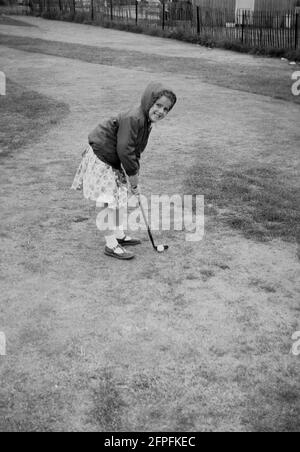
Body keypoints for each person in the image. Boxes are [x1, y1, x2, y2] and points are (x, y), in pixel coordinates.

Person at [71, 82, 177, 260]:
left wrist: (135, 176)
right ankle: (111, 244)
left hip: (113, 160)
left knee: (119, 198)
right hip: (102, 157)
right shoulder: (134, 118)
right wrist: (133, 179)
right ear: (149, 101)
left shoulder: (146, 120)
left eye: (166, 109)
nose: (161, 111)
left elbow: (135, 150)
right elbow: (125, 151)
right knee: (106, 202)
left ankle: (119, 234)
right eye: (158, 105)